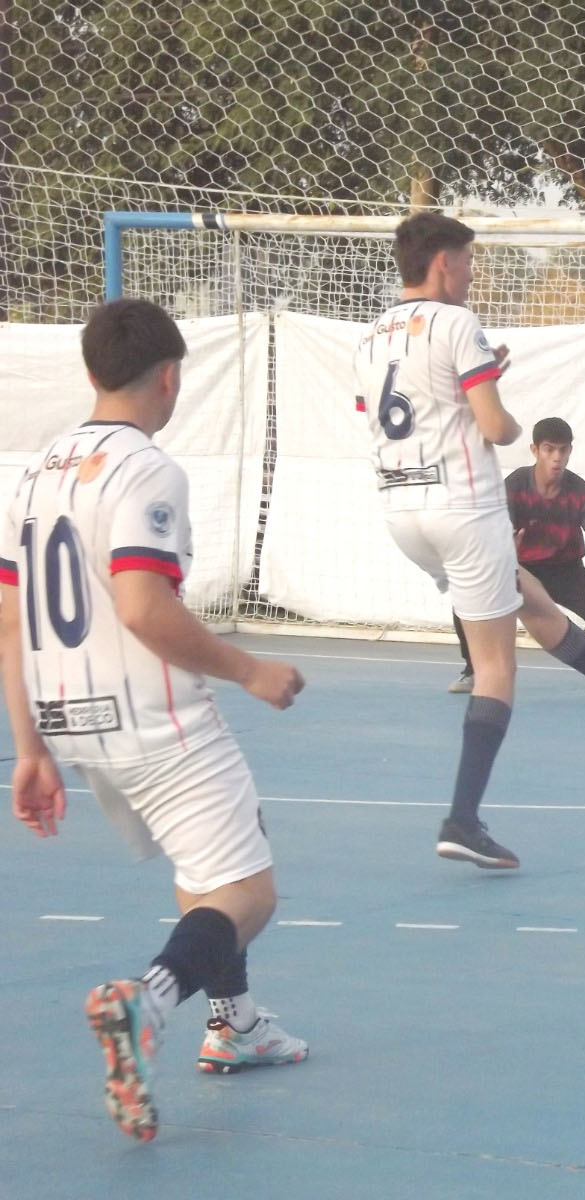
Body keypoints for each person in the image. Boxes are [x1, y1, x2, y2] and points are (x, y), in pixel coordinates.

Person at [0, 299, 310, 1142]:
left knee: (204, 868)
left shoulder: (34, 474)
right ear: (168, 376)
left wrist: (30, 748)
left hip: (74, 720)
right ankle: (152, 1000)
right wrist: (251, 670)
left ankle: (236, 1023)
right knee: (249, 893)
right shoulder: (146, 470)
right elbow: (141, 605)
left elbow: (8, 617)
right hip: (155, 716)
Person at [354, 213, 585, 872]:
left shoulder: (369, 339)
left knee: (531, 598)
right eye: (469, 261)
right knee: (498, 667)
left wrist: (471, 387)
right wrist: (492, 403)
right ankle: (463, 819)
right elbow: (498, 428)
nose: (474, 273)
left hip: (400, 513)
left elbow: (402, 415)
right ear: (443, 261)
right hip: (462, 510)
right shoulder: (455, 324)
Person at [448, 417, 585, 693]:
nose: (557, 458)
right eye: (549, 449)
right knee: (466, 602)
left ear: (569, 452)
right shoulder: (514, 487)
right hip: (520, 568)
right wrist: (506, 549)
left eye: (563, 450)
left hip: (566, 571)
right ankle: (473, 672)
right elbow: (498, 539)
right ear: (535, 450)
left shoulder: (581, 493)